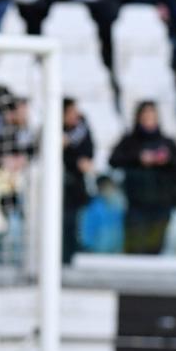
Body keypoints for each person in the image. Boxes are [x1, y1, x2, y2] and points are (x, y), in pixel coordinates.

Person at [109, 101, 176, 254]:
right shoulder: (130, 141)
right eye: (146, 115)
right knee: (135, 248)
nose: (149, 118)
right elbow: (113, 160)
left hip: (161, 204)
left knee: (154, 249)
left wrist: (165, 160)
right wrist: (138, 158)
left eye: (152, 115)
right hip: (136, 204)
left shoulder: (166, 142)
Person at [62, 98, 95, 263]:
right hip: (61, 188)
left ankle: (73, 258)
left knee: (75, 223)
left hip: (77, 188)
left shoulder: (83, 130)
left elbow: (89, 153)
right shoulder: (52, 131)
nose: (75, 116)